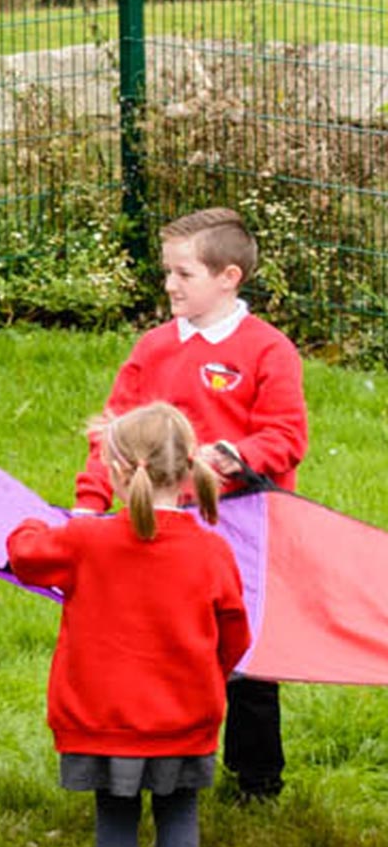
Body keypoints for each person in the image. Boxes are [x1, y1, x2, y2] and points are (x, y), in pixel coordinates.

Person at [73, 207, 308, 802]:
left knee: (248, 654)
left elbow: (286, 437)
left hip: (244, 529)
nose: (170, 285)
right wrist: (89, 502)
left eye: (184, 273)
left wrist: (231, 456)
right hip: (161, 528)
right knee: (167, 645)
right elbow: (113, 432)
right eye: (167, 273)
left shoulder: (268, 350)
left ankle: (256, 781)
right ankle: (168, 766)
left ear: (229, 277)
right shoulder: (153, 347)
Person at [9, 402, 251, 847]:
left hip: (102, 717)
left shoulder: (83, 541)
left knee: (115, 815)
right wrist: (211, 677)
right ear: (189, 470)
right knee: (178, 813)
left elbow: (24, 555)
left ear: (115, 472)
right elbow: (236, 633)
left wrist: (32, 518)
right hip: (184, 716)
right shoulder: (212, 551)